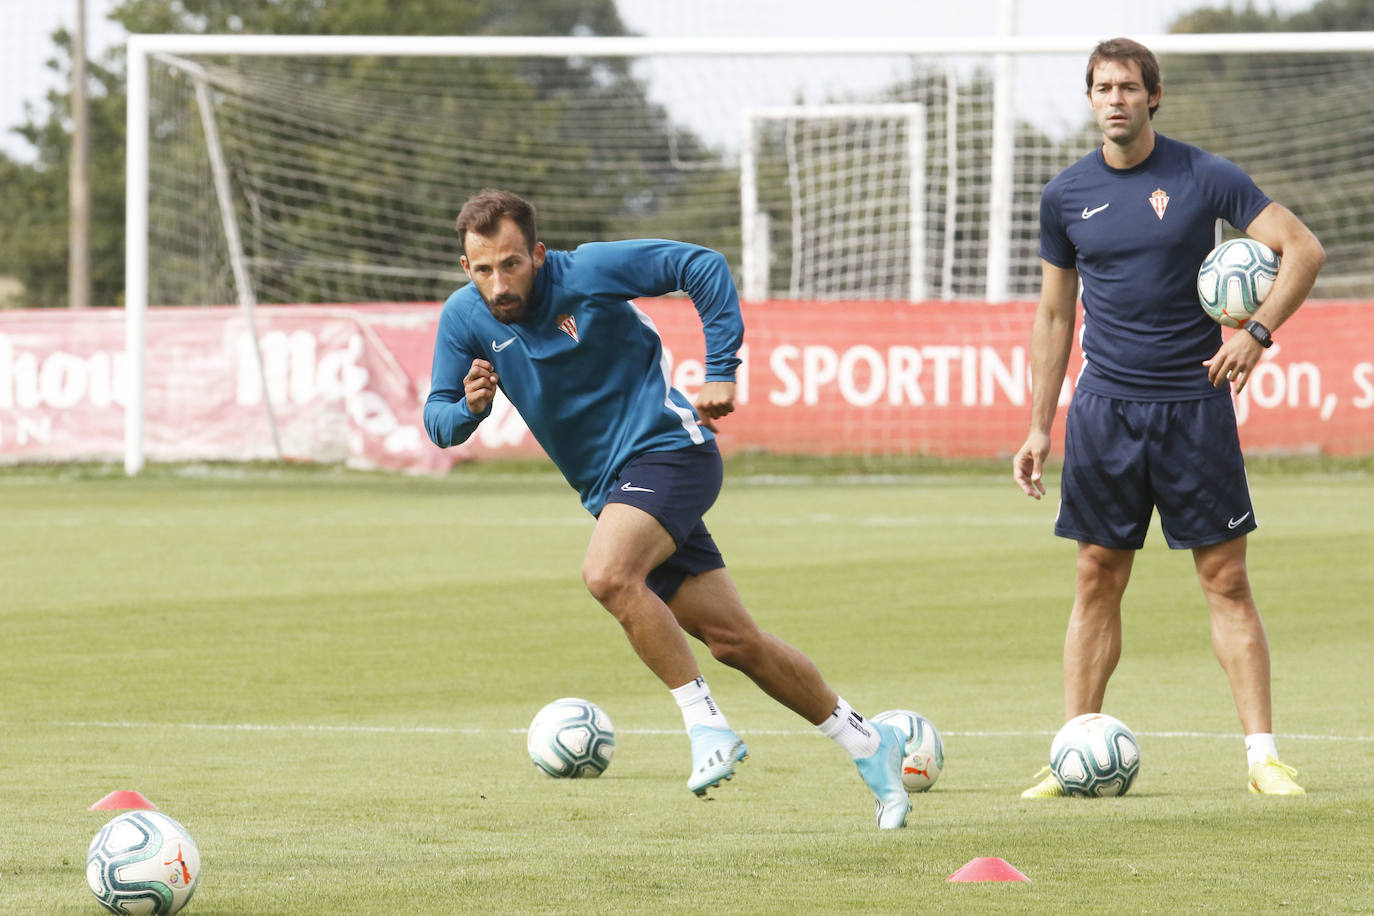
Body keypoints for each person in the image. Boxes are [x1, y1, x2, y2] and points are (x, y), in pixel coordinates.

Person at [424, 189, 910, 828]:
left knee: (607, 575)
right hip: (614, 492)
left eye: (511, 263)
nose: (499, 282)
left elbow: (700, 265)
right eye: (483, 269)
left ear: (538, 255)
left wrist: (721, 369)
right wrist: (470, 409)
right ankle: (870, 744)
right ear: (466, 268)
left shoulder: (589, 272)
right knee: (736, 642)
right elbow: (438, 421)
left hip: (669, 451)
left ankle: (707, 727)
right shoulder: (464, 318)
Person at [1012, 38, 1324, 797]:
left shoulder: (1202, 176)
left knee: (1225, 580)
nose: (1114, 98)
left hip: (1193, 408)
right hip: (1105, 411)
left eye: (1127, 86)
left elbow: (1302, 250)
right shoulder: (1065, 196)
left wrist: (1254, 334)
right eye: (1101, 87)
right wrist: (1038, 425)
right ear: (1090, 99)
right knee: (1095, 578)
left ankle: (1262, 758)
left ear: (1154, 95)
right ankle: (1074, 751)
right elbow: (1054, 316)